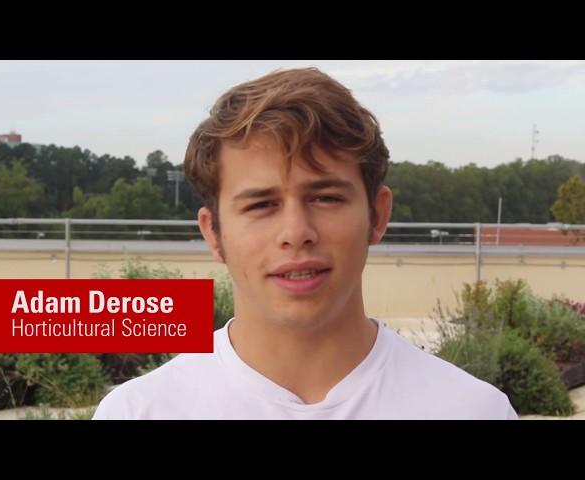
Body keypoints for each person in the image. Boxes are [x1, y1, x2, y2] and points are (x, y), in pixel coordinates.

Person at [93, 67, 518, 419]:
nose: (296, 231)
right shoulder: (139, 412)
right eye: (262, 205)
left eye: (326, 197)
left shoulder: (473, 410)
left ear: (378, 215)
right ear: (213, 233)